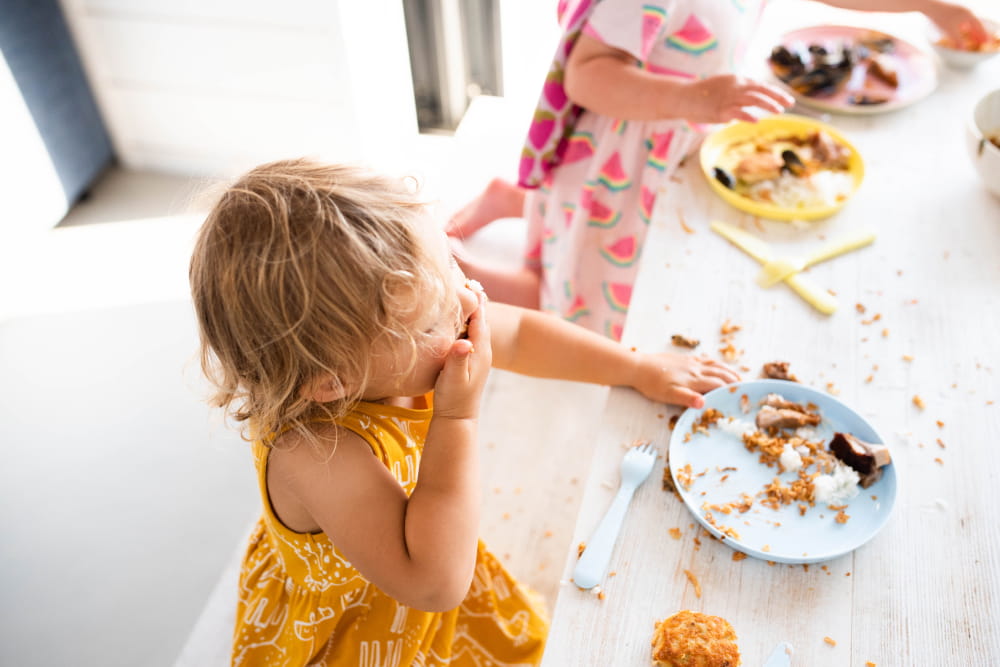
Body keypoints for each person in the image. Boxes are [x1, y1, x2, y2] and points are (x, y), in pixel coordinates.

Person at [189, 158, 740, 667]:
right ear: (330, 383)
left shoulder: (420, 325)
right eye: (432, 321)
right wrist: (458, 419)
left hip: (434, 544)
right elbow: (432, 583)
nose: (466, 303)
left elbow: (520, 333)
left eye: (449, 269)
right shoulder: (312, 452)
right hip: (363, 620)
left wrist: (636, 368)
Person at [447, 0, 989, 341]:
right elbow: (586, 76)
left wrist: (929, 7)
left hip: (678, 132)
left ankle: (513, 199)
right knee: (579, 296)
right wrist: (699, 97)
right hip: (622, 149)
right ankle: (457, 271)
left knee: (583, 226)